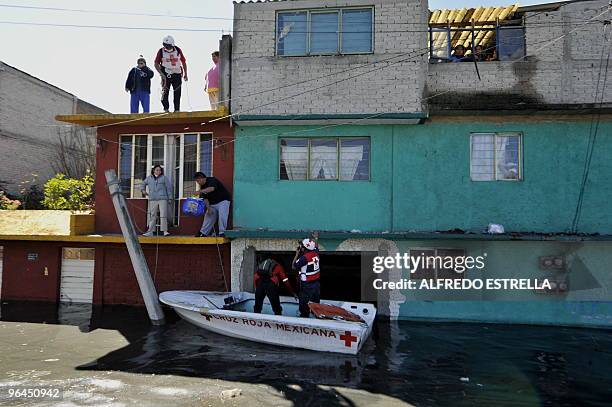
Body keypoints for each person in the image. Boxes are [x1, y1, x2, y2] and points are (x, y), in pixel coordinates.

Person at [154, 35, 188, 112]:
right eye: (165, 45)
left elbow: (183, 62)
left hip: (177, 73)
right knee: (165, 92)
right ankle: (166, 109)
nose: (166, 47)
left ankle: (177, 110)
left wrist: (185, 74)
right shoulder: (161, 51)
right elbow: (156, 63)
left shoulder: (178, 50)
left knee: (177, 93)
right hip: (166, 74)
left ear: (172, 45)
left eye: (168, 46)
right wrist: (161, 74)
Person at [194, 172, 231, 237]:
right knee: (208, 216)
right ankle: (203, 233)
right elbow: (205, 199)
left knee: (222, 215)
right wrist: (208, 209)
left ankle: (222, 232)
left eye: (198, 181)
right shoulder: (202, 187)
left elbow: (211, 188)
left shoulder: (211, 180)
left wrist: (199, 191)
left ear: (202, 178)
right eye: (196, 181)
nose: (198, 183)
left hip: (223, 201)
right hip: (212, 204)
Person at [141, 165, 173, 237]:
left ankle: (165, 231)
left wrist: (170, 198)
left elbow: (169, 188)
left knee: (163, 215)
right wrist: (143, 190)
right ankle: (150, 231)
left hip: (163, 199)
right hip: (153, 199)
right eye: (157, 170)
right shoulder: (149, 178)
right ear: (153, 170)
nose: (158, 171)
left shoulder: (164, 178)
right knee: (152, 215)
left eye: (160, 170)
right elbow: (143, 184)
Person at [292, 238, 321, 318]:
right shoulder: (316, 253)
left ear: (304, 249)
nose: (300, 247)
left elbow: (293, 266)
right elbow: (316, 247)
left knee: (304, 306)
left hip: (307, 285)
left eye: (301, 246)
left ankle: (304, 319)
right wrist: (315, 238)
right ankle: (317, 318)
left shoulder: (304, 258)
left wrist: (297, 254)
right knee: (316, 303)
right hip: (316, 284)